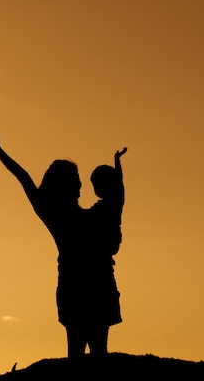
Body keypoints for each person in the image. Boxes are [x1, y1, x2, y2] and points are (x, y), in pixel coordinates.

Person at [0, 127, 103, 361]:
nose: (80, 186)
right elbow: (23, 176)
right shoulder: (52, 211)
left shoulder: (84, 215)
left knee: (91, 348)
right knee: (80, 348)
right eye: (76, 180)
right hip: (77, 283)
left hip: (90, 283)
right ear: (64, 185)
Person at [80, 147, 127, 358]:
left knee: (97, 333)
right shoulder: (104, 208)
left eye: (97, 185)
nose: (96, 189)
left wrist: (117, 163)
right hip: (96, 271)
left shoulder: (111, 205)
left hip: (100, 271)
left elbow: (120, 185)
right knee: (93, 331)